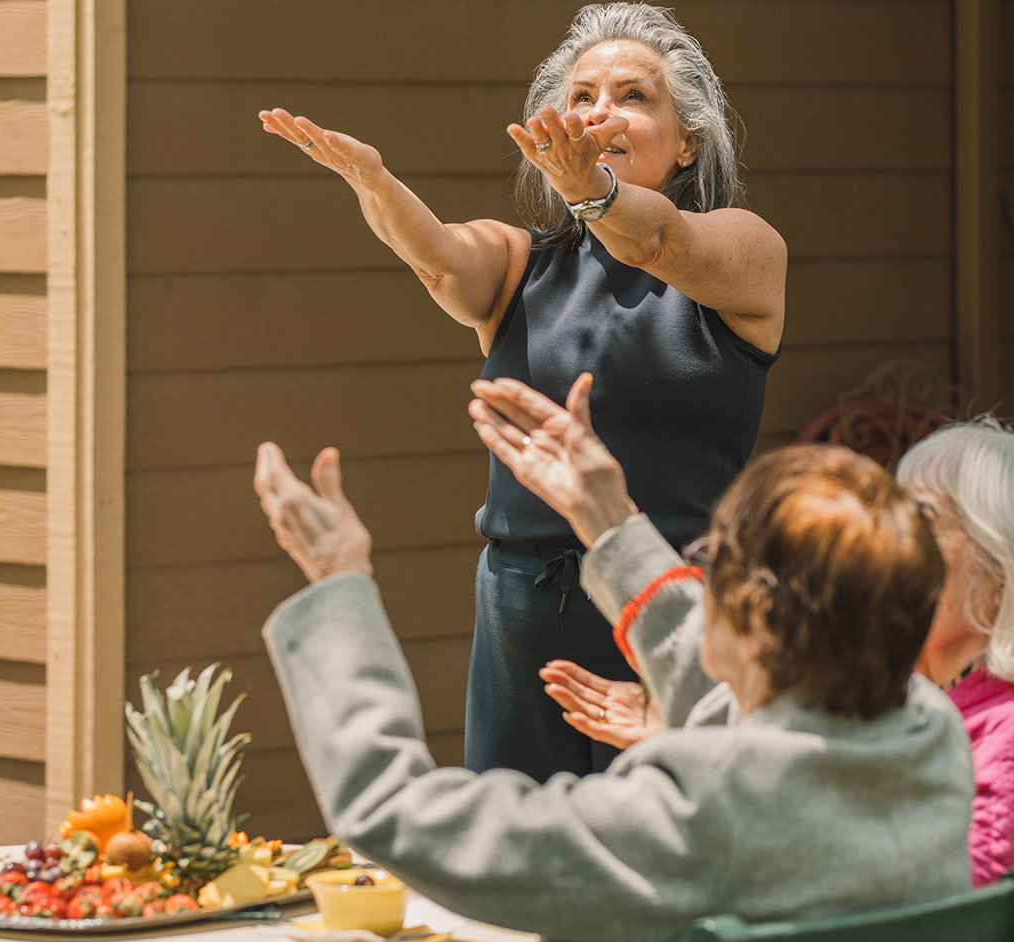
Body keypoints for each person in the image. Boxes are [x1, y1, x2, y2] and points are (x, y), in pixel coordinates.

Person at [252, 372, 970, 942]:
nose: (698, 569)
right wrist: (609, 520)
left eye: (711, 557)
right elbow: (740, 694)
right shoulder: (931, 737)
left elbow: (397, 812)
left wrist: (336, 585)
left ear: (753, 624)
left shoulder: (702, 811)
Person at [259, 3, 786, 783]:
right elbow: (439, 256)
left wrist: (596, 195)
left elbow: (660, 240)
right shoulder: (521, 264)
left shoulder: (744, 248)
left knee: (656, 843)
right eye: (582, 96)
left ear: (688, 140)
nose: (599, 111)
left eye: (633, 96)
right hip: (519, 610)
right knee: (512, 848)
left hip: (670, 606)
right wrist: (375, 184)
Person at [546, 417, 1014, 914]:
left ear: (1004, 578)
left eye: (922, 521)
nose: (891, 545)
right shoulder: (910, 702)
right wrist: (696, 730)